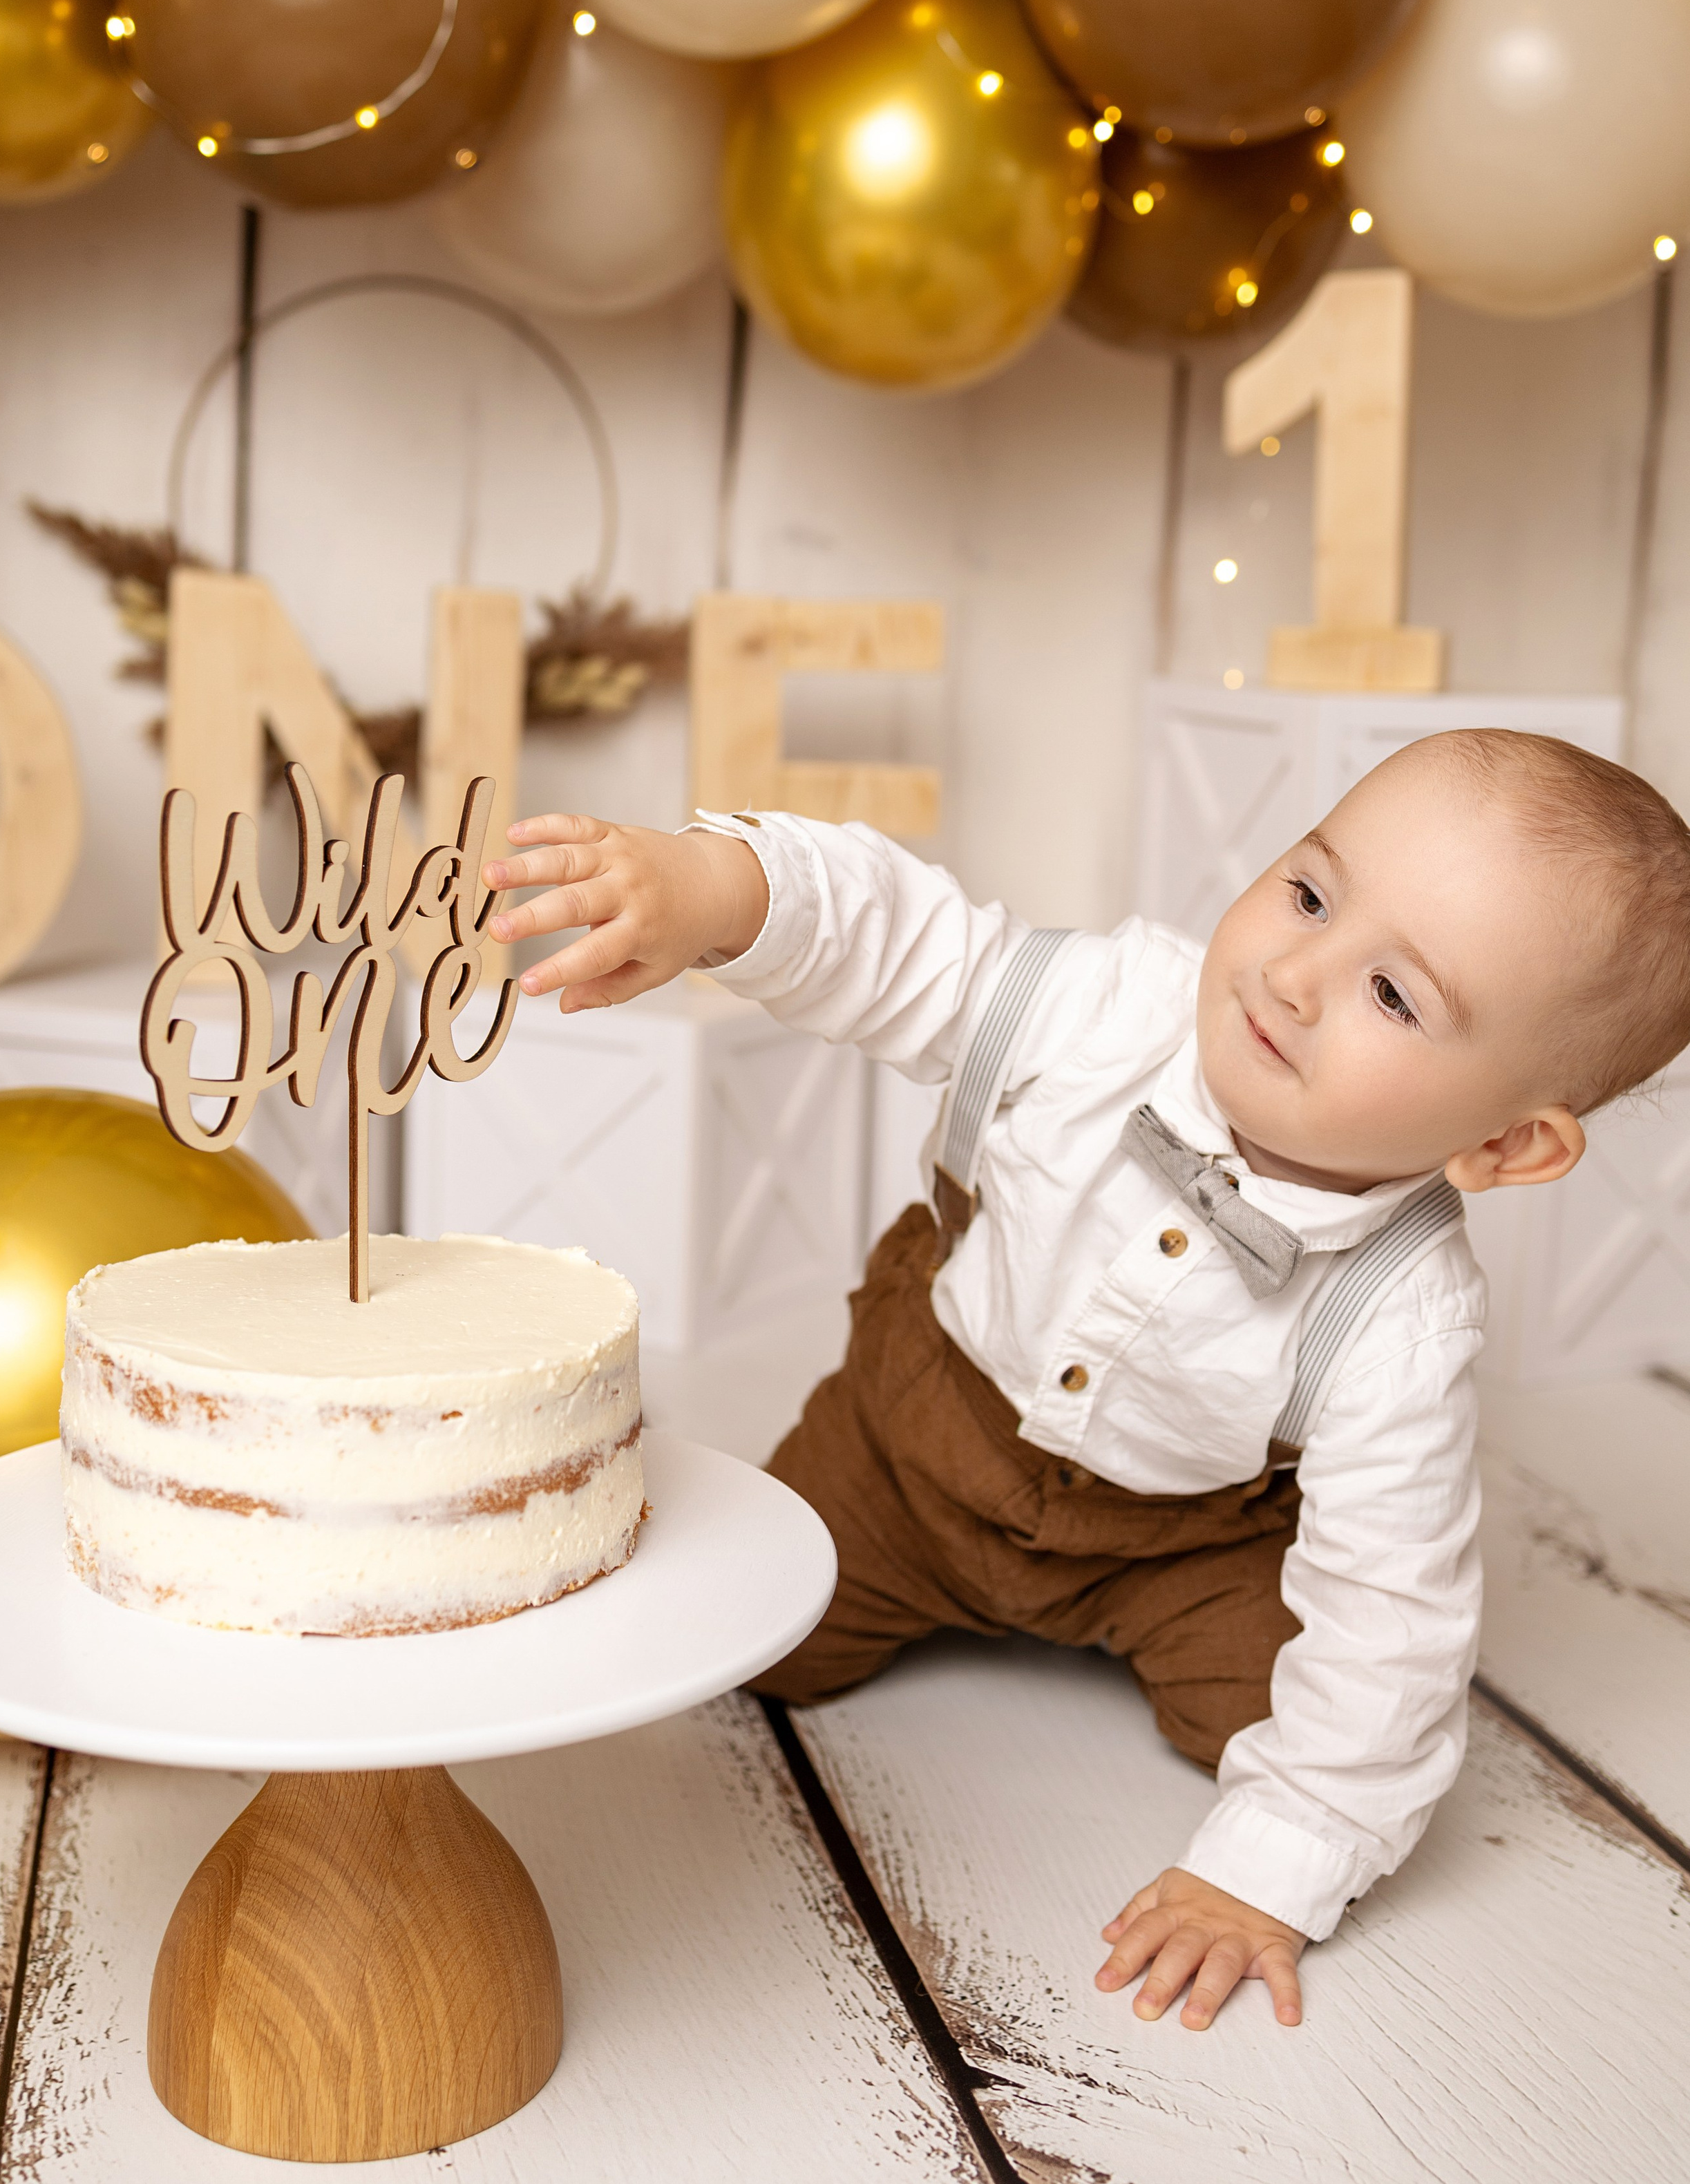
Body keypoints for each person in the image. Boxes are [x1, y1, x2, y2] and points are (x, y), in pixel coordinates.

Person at [482, 730, 1690, 2031]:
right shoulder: (1104, 1009)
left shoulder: (1405, 1320)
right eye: (1310, 893)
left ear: (1507, 1144)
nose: (1292, 976)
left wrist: (1270, 1873)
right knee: (755, 1639)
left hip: (1180, 1545)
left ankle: (1236, 1752)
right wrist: (719, 893)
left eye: (1394, 996)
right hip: (915, 1445)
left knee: (1280, 1725)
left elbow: (1389, 1615)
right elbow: (902, 942)